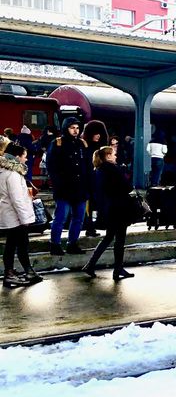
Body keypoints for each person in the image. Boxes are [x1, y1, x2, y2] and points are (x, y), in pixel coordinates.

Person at [82, 146, 135, 281]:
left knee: (108, 237)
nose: (116, 157)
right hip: (119, 208)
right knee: (119, 240)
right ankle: (117, 269)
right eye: (114, 154)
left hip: (108, 209)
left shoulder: (99, 170)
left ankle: (91, 264)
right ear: (108, 156)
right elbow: (127, 187)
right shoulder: (113, 169)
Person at [45, 116, 90, 255]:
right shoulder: (57, 143)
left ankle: (72, 243)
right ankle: (55, 244)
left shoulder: (82, 144)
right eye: (72, 128)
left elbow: (87, 165)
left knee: (78, 218)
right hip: (64, 188)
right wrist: (58, 184)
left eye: (77, 128)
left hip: (80, 188)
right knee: (61, 217)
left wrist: (87, 184)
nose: (75, 131)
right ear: (66, 128)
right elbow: (51, 167)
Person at [0, 142, 42, 287]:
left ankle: (15, 272)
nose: (26, 159)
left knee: (12, 244)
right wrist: (25, 219)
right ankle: (15, 273)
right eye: (25, 156)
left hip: (10, 215)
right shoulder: (13, 174)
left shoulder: (5, 171)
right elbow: (17, 199)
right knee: (20, 245)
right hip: (15, 217)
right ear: (17, 157)